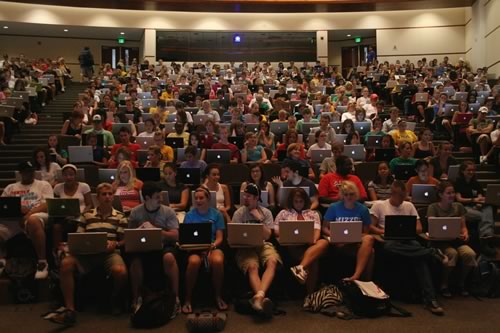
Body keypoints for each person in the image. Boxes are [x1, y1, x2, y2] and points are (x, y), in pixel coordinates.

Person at [46, 183, 128, 325]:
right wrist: (73, 245)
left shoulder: (120, 216)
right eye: (104, 194)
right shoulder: (87, 215)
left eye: (110, 194)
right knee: (66, 264)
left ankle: (114, 299)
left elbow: (124, 240)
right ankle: (70, 309)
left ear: (113, 197)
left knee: (120, 271)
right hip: (87, 254)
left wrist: (116, 244)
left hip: (110, 253)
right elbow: (78, 236)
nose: (107, 197)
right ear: (98, 197)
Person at [369, 181, 445, 315]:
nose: (403, 200)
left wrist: (407, 230)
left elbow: (419, 227)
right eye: (400, 196)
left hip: (408, 240)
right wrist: (385, 232)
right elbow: (371, 227)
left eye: (404, 196)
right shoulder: (379, 205)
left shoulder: (408, 205)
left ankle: (430, 299)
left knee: (418, 256)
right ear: (393, 193)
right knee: (394, 248)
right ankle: (431, 252)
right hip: (389, 240)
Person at [128, 182, 181, 314]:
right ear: (147, 198)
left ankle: (175, 298)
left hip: (165, 245)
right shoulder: (136, 212)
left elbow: (175, 235)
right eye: (157, 197)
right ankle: (136, 299)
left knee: (169, 257)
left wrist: (156, 230)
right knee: (135, 262)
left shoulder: (168, 211)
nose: (161, 199)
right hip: (143, 246)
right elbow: (130, 235)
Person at [231, 183, 280, 315]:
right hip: (244, 247)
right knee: (252, 266)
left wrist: (259, 219)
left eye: (249, 196)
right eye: (244, 195)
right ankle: (263, 300)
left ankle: (258, 297)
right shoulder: (239, 213)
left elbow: (268, 235)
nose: (245, 198)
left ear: (257, 198)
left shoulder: (266, 212)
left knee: (272, 261)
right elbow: (234, 238)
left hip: (263, 244)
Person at [1, 161, 54, 279]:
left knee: (32, 220)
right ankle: (2, 261)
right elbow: (3, 205)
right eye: (26, 172)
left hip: (38, 215)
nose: (29, 174)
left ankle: (42, 263)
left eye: (31, 171)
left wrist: (28, 214)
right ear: (20, 173)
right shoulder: (11, 187)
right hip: (15, 219)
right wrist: (18, 210)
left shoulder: (43, 184)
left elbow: (47, 204)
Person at [427, 181, 477, 297]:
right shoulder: (433, 207)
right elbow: (433, 230)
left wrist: (465, 233)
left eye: (453, 192)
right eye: (448, 193)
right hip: (441, 242)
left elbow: (463, 227)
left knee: (470, 254)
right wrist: (449, 235)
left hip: (457, 240)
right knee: (452, 254)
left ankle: (461, 283)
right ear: (440, 195)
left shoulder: (458, 207)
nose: (452, 195)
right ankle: (444, 284)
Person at [274, 188, 328, 294]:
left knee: (324, 242)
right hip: (293, 246)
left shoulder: (313, 214)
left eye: (301, 201)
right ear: (291, 201)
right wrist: (287, 235)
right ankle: (310, 295)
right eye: (296, 201)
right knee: (313, 260)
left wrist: (314, 239)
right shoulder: (284, 213)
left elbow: (317, 230)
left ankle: (300, 268)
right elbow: (275, 230)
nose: (298, 204)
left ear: (305, 201)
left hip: (309, 245)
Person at [182, 187, 227, 314]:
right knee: (194, 262)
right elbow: (186, 238)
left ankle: (218, 296)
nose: (198, 200)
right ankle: (188, 299)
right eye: (196, 198)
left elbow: (219, 238)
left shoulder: (216, 214)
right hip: (194, 248)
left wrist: (211, 246)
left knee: (217, 260)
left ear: (208, 199)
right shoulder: (189, 215)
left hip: (212, 246)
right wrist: (198, 248)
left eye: (201, 198)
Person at [322, 181, 375, 281]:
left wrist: (353, 238)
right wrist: (334, 234)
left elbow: (366, 231)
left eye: (351, 194)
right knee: (371, 252)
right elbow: (324, 228)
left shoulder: (363, 209)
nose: (349, 197)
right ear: (342, 195)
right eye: (346, 194)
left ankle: (358, 276)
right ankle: (361, 278)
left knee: (370, 239)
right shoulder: (334, 207)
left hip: (356, 241)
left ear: (356, 194)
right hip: (338, 241)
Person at [454, 160, 495, 256]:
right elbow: (459, 199)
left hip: (474, 207)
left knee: (488, 208)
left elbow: (480, 196)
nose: (471, 172)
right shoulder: (458, 183)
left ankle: (486, 237)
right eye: (469, 170)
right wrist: (473, 200)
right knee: (484, 216)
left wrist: (480, 202)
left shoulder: (475, 183)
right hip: (463, 209)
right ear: (462, 171)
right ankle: (486, 239)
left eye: (473, 170)